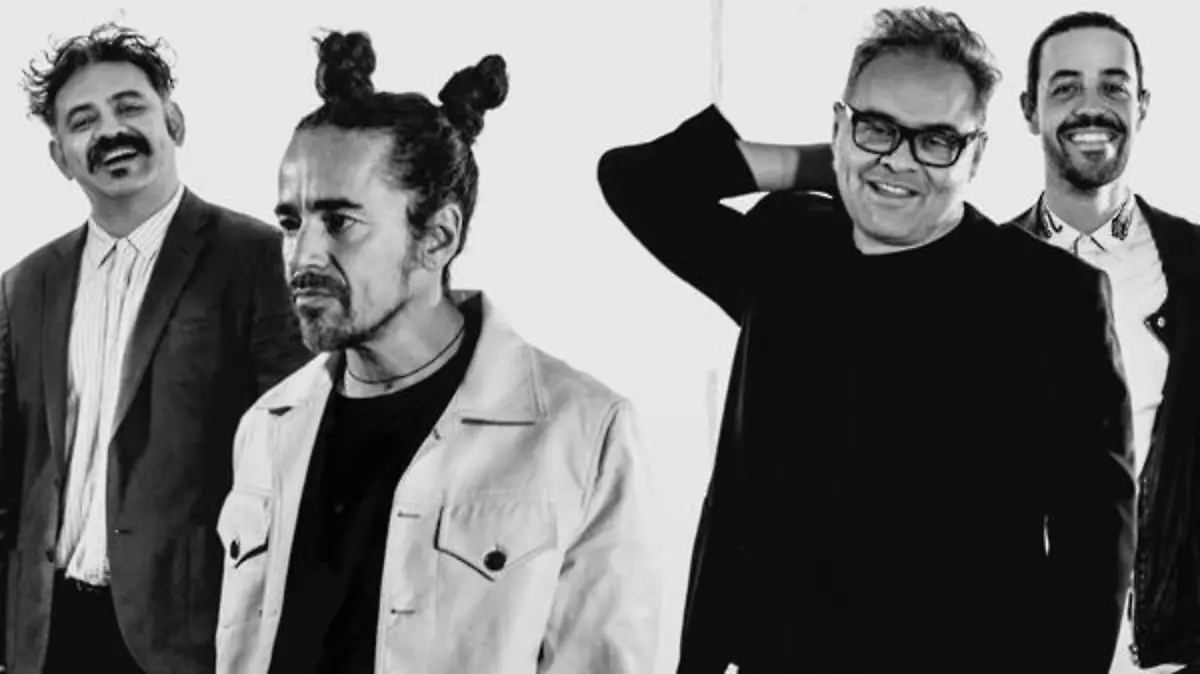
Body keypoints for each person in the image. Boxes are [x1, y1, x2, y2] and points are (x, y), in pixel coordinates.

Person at [598, 6, 1135, 673]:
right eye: (877, 128)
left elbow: (1096, 550)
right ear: (838, 128)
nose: (900, 160)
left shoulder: (1050, 298)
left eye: (935, 140)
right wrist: (827, 166)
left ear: (977, 154)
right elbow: (636, 181)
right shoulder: (789, 246)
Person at [213, 30, 661, 674]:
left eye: (339, 222)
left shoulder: (584, 433)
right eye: (291, 223)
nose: (302, 255)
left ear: (438, 237)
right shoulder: (266, 427)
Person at [0, 22, 312, 673]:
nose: (111, 130)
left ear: (173, 121)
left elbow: (299, 463)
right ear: (60, 156)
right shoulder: (25, 285)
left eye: (130, 107)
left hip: (189, 638)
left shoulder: (260, 260)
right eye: (83, 120)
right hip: (45, 634)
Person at [1006, 12, 1200, 673]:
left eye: (1113, 86)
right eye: (1065, 87)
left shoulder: (1196, 266)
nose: (1092, 106)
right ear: (1029, 109)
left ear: (1142, 105)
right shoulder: (975, 270)